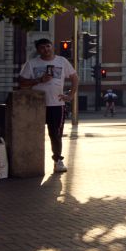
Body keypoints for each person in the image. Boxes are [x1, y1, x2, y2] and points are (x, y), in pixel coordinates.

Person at [18, 38, 78, 173]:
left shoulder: (62, 61)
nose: (46, 49)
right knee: (33, 134)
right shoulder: (32, 63)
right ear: (38, 50)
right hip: (36, 106)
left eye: (48, 46)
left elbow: (74, 77)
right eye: (42, 48)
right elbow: (21, 83)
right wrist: (39, 79)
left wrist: (71, 95)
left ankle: (58, 161)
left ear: (52, 47)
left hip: (56, 104)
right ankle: (30, 161)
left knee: (55, 134)